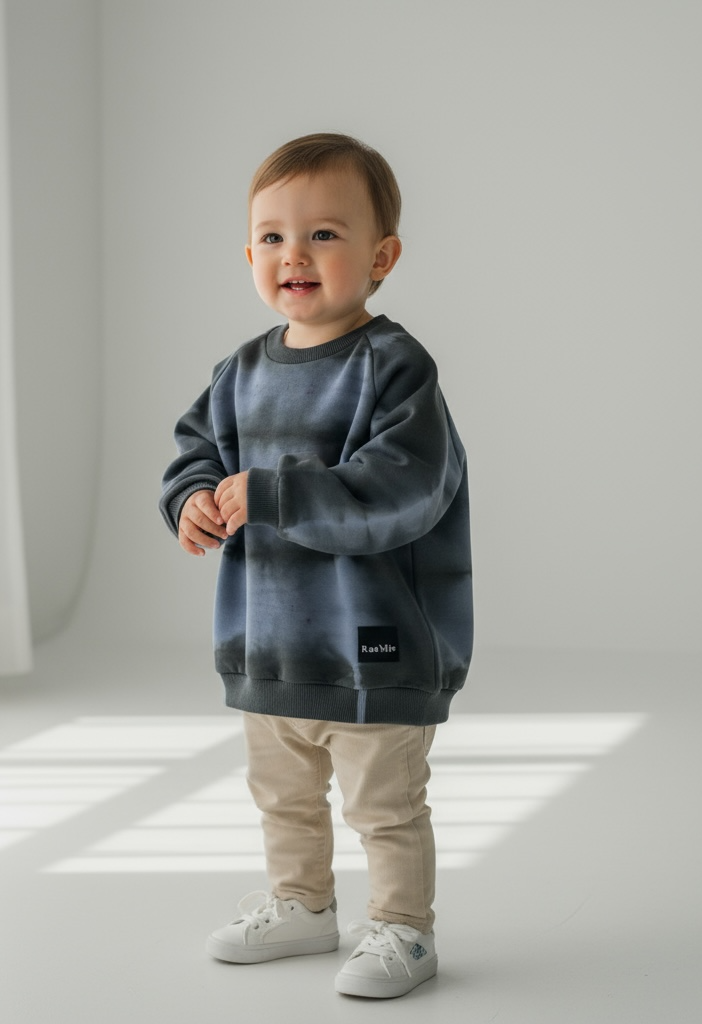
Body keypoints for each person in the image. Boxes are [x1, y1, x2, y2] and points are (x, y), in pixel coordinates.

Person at [159, 132, 473, 999]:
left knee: (384, 803)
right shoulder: (240, 372)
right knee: (284, 794)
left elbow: (403, 490)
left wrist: (277, 496)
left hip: (373, 640)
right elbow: (196, 450)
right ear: (250, 253)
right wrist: (190, 498)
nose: (293, 254)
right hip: (270, 642)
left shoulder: (394, 368)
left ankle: (405, 929)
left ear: (382, 256)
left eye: (324, 235)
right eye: (271, 237)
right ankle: (302, 905)